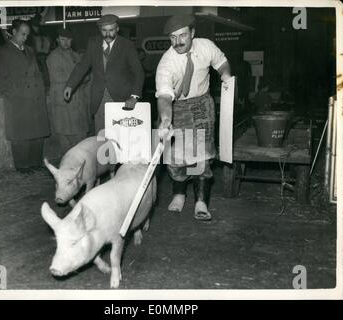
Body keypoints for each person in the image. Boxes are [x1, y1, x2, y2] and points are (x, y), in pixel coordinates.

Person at [156, 14, 231, 221]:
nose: (177, 42)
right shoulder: (166, 62)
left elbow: (222, 62)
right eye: (172, 37)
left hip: (202, 104)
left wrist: (225, 75)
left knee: (203, 155)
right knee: (175, 157)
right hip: (176, 106)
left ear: (193, 34)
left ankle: (201, 201)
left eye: (182, 36)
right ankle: (179, 194)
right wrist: (165, 119)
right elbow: (163, 96)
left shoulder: (205, 46)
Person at [64, 14, 144, 135]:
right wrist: (70, 85)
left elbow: (138, 72)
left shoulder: (127, 45)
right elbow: (82, 66)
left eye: (111, 30)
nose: (107, 34)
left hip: (122, 98)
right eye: (104, 30)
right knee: (101, 136)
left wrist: (134, 96)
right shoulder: (93, 43)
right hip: (99, 98)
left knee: (120, 135)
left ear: (117, 29)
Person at [0, 19, 50, 174]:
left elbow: (38, 73)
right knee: (21, 134)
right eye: (23, 34)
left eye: (27, 35)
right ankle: (23, 166)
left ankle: (35, 163)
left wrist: (42, 91)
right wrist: (14, 95)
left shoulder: (31, 50)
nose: (25, 37)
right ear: (14, 32)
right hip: (18, 99)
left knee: (37, 133)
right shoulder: (0, 52)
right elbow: (0, 79)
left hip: (35, 97)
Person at [46, 28, 92, 155]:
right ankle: (67, 168)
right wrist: (79, 77)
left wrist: (82, 77)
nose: (66, 42)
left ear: (72, 41)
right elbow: (58, 77)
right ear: (57, 40)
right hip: (64, 103)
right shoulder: (53, 57)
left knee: (81, 137)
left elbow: (86, 75)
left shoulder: (76, 55)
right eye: (62, 39)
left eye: (68, 40)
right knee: (66, 138)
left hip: (78, 101)